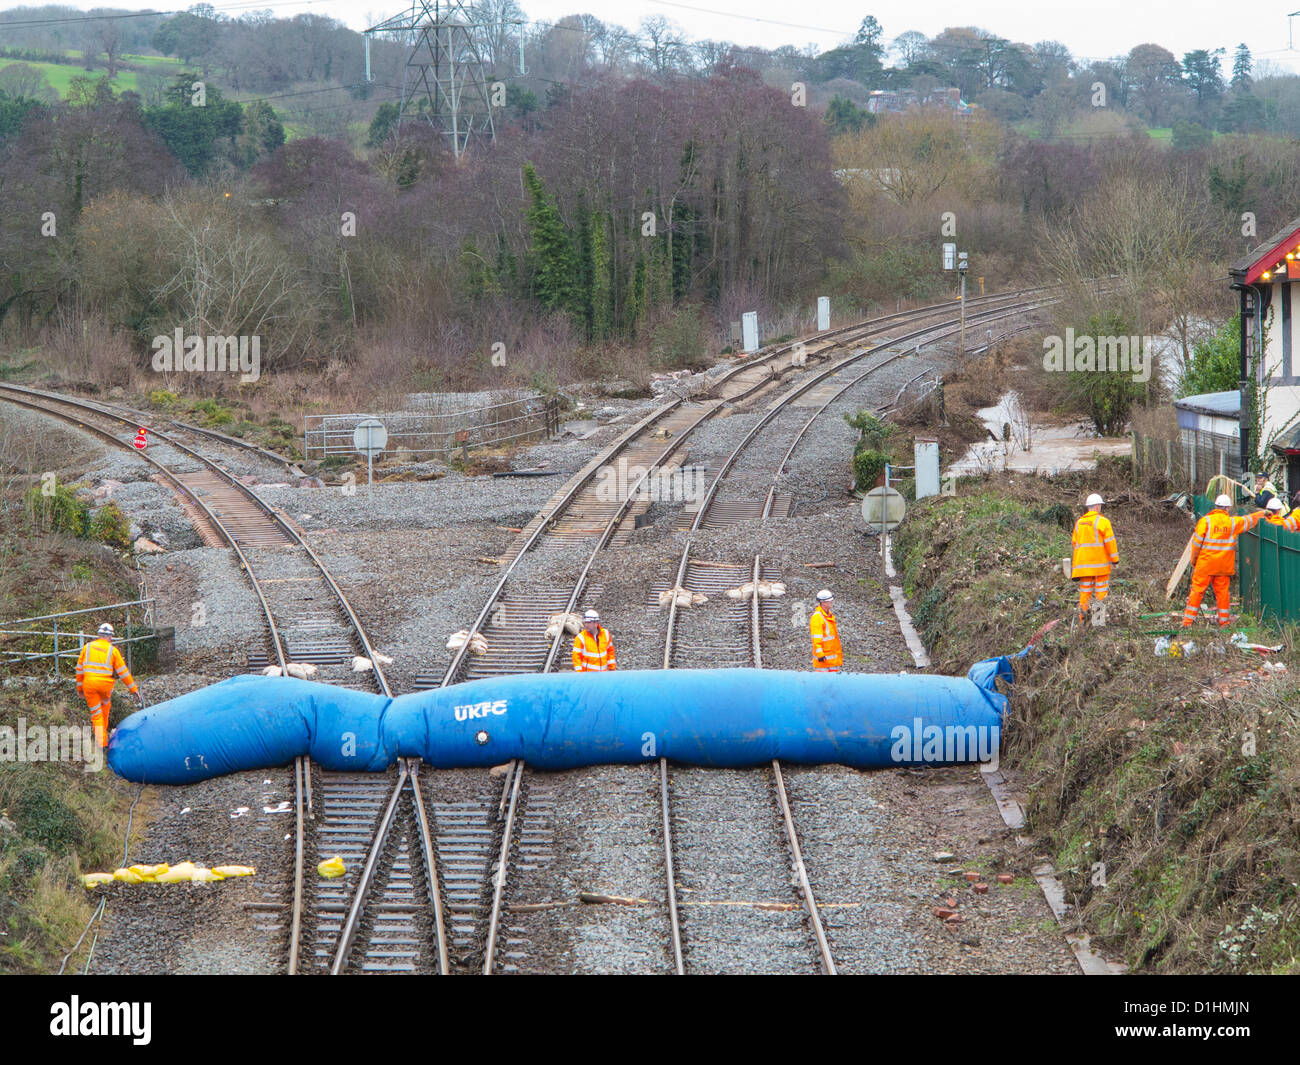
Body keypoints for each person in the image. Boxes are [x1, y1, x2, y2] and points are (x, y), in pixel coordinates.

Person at [1181, 494, 1266, 629]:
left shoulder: (1205, 521)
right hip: (1223, 566)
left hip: (1205, 564)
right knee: (1222, 594)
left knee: (1197, 592)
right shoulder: (1232, 523)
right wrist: (1263, 513)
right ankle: (1224, 622)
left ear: (1216, 507)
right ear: (1227, 508)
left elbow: (1196, 545)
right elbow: (1248, 520)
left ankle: (1187, 623)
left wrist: (1194, 561)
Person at [75, 623, 142, 748]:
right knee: (105, 710)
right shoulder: (113, 651)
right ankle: (104, 738)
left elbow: (79, 670)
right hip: (105, 687)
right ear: (110, 636)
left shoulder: (87, 647)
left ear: (98, 634)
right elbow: (123, 672)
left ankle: (101, 744)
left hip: (89, 685)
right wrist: (133, 689)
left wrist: (79, 688)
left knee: (96, 714)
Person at [1071, 493, 1118, 624]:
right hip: (1100, 567)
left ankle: (1083, 621)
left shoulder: (1079, 523)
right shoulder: (1103, 522)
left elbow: (1075, 544)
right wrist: (1115, 560)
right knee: (1100, 595)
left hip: (1083, 569)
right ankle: (1097, 622)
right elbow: (1110, 542)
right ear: (1097, 507)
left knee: (1084, 595)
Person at [809, 590, 843, 672]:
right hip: (823, 660)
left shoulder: (829, 615)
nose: (831, 602)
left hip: (832, 659)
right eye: (829, 600)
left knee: (834, 682)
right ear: (823, 602)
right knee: (822, 683)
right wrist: (820, 654)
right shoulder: (817, 617)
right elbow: (816, 638)